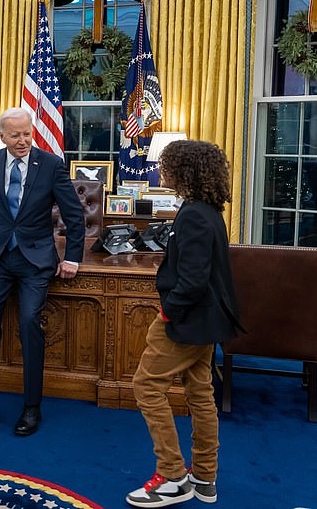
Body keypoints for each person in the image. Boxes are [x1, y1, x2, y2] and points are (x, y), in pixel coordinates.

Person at [126, 140, 244, 507]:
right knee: (200, 393)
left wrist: (167, 312)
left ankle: (173, 476)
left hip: (186, 321)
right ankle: (205, 478)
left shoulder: (193, 214)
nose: (162, 171)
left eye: (167, 166)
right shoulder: (207, 210)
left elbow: (192, 280)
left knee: (146, 387)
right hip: (207, 322)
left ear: (184, 171)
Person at [0, 107, 85, 436]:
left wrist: (72, 257)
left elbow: (74, 215)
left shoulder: (50, 165)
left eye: (27, 134)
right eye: (15, 135)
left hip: (35, 260)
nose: (22, 141)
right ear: (1, 136)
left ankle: (32, 407)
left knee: (30, 321)